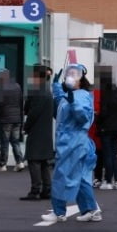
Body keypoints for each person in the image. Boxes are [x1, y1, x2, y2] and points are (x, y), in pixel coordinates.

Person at [42, 64, 102, 223]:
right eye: (68, 74)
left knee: (61, 176)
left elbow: (83, 118)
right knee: (79, 178)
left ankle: (59, 211)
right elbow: (62, 98)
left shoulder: (81, 96)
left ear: (81, 80)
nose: (70, 77)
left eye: (74, 74)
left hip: (74, 143)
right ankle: (91, 210)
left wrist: (73, 102)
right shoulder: (74, 94)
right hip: (71, 142)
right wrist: (55, 85)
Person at [20, 65, 54, 200]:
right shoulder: (48, 90)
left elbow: (31, 112)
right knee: (44, 162)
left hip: (36, 131)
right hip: (46, 130)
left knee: (34, 160)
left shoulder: (36, 91)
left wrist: (26, 127)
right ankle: (47, 189)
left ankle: (35, 190)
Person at [0, 68, 25, 172]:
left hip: (5, 118)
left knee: (4, 142)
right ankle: (19, 162)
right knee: (15, 141)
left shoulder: (1, 88)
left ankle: (2, 164)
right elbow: (21, 102)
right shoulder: (17, 86)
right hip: (17, 118)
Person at [97, 79, 117, 190]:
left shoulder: (106, 96)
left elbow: (103, 113)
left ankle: (108, 180)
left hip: (106, 129)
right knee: (114, 155)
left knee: (107, 155)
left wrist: (97, 120)